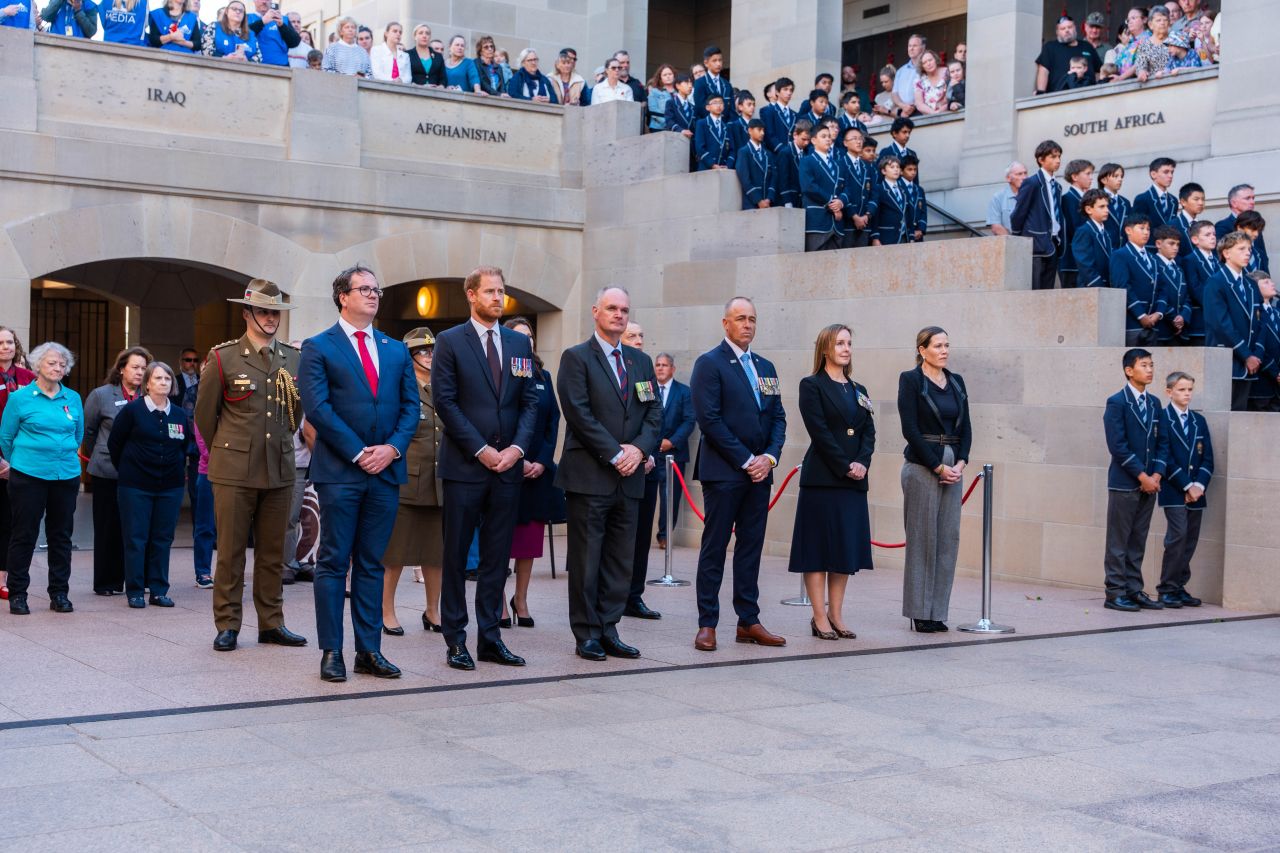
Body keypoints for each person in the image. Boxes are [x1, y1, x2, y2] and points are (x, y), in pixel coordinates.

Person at [298, 266, 417, 682]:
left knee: (371, 563)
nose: (373, 294)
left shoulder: (396, 349)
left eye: (376, 289)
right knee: (333, 562)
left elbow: (411, 409)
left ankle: (369, 650)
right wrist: (357, 452)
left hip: (385, 472)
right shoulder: (318, 347)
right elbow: (318, 409)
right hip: (340, 473)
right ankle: (332, 651)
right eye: (363, 289)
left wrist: (391, 449)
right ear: (342, 297)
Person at [431, 266, 540, 671]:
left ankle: (490, 637)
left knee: (497, 557)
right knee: (458, 556)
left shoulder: (517, 343)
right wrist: (480, 449)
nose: (498, 297)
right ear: (471, 295)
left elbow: (529, 401)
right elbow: (446, 402)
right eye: (490, 291)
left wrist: (516, 448)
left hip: (508, 468)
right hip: (465, 467)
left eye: (502, 291)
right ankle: (455, 639)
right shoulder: (449, 341)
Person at [195, 279, 308, 653]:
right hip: (233, 470)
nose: (270, 318)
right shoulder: (223, 357)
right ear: (247, 314)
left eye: (275, 312)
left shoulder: (293, 359)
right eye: (263, 311)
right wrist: (230, 452)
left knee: (274, 553)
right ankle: (228, 624)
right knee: (230, 553)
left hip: (278, 467)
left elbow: (296, 413)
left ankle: (271, 622)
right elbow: (204, 417)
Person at [555, 288, 660, 660]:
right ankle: (586, 633)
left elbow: (653, 413)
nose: (619, 315)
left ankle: (610, 627)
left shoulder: (640, 362)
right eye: (612, 308)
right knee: (587, 559)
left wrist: (639, 450)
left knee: (619, 558)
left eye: (624, 310)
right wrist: (616, 453)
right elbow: (579, 414)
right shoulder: (576, 358)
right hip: (590, 475)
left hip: (630, 477)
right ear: (595, 311)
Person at [690, 297, 788, 652]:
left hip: (760, 475)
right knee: (715, 546)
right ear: (725, 323)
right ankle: (707, 623)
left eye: (752, 319)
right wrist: (748, 459)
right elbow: (710, 420)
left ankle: (748, 620)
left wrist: (770, 459)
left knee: (751, 547)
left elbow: (778, 418)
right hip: (725, 472)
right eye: (740, 318)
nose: (747, 324)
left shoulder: (765, 366)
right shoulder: (709, 364)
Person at [789, 324, 874, 640]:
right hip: (823, 479)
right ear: (825, 348)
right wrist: (844, 465)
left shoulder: (859, 390)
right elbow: (819, 431)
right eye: (839, 343)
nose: (846, 348)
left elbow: (869, 432)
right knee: (818, 550)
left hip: (854, 482)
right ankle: (819, 617)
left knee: (843, 552)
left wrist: (862, 463)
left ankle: (837, 615)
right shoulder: (811, 386)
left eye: (849, 342)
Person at [897, 326, 971, 633]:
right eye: (938, 345)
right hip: (922, 463)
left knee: (947, 540)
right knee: (922, 540)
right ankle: (919, 612)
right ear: (922, 349)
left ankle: (938, 611)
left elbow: (966, 425)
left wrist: (962, 460)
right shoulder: (910, 380)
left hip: (953, 465)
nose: (944, 350)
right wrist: (937, 466)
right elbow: (910, 429)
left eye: (947, 345)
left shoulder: (957, 382)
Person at [0, 342, 83, 616]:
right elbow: (6, 439)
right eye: (52, 363)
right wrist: (24, 462)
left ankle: (59, 593)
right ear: (37, 366)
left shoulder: (72, 398)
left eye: (62, 364)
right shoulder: (20, 399)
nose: (58, 367)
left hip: (66, 475)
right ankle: (18, 593)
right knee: (24, 534)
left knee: (61, 536)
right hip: (28, 476)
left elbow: (78, 435)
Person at [107, 361, 190, 610]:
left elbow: (183, 447)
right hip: (135, 486)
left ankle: (158, 589)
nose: (163, 383)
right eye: (157, 379)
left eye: (167, 379)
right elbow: (115, 444)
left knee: (162, 538)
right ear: (147, 384)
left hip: (170, 487)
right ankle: (134, 590)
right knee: (136, 538)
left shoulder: (179, 414)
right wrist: (129, 470)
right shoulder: (133, 411)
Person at [380, 327, 445, 636]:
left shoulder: (444, 389)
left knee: (435, 553)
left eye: (432, 351)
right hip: (407, 480)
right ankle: (386, 610)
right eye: (422, 351)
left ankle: (433, 610)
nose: (429, 356)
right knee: (395, 553)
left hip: (438, 481)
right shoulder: (399, 388)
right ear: (409, 357)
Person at [500, 317, 562, 629]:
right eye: (519, 336)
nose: (527, 341)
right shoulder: (498, 373)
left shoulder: (543, 375)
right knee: (500, 539)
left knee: (528, 543)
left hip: (538, 471)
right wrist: (517, 457)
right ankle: (497, 599)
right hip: (507, 468)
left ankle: (520, 598)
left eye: (530, 336)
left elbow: (553, 421)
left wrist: (542, 459)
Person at [81, 346, 149, 598]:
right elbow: (88, 432)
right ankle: (106, 582)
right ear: (121, 369)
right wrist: (101, 451)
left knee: (135, 528)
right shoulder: (101, 395)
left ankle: (134, 579)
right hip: (107, 470)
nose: (139, 372)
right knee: (108, 526)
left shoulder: (150, 395)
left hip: (139, 472)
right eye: (134, 367)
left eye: (143, 368)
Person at [1101, 348, 1164, 612]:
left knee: (1138, 539)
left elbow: (1163, 443)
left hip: (1150, 484)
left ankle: (1134, 589)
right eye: (1144, 365)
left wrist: (1156, 475)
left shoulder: (1155, 403)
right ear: (1129, 370)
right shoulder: (1117, 402)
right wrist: (1142, 475)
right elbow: (1118, 445)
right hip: (1125, 482)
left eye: (1151, 365)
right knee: (1119, 540)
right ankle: (1115, 592)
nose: (1149, 370)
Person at [1155, 371, 1210, 608]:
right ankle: (1166, 588)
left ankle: (1179, 586)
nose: (1186, 394)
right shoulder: (1162, 418)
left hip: (1197, 492)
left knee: (1190, 539)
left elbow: (1207, 458)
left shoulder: (1199, 421)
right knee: (1177, 536)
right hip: (1173, 489)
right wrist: (1187, 485)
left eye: (1189, 389)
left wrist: (1198, 485)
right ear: (1169, 392)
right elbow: (1164, 458)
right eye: (1181, 389)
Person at [1204, 231, 1263, 411]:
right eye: (1241, 249)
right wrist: (1246, 354)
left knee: (1241, 414)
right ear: (1226, 253)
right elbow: (1221, 324)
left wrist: (1257, 354)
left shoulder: (1251, 284)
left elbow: (1261, 322)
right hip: (1227, 357)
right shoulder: (1216, 282)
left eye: (1250, 249)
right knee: (1224, 415)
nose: (1248, 253)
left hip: (1251, 360)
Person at [0, 327, 34, 599]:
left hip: (22, 461)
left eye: (9, 342)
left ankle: (9, 576)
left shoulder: (28, 378)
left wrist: (16, 460)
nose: (5, 347)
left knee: (13, 521)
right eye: (0, 343)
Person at [650, 353, 693, 555]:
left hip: (674, 455)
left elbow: (689, 421)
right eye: (657, 365)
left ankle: (665, 535)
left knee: (670, 497)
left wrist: (671, 442)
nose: (660, 368)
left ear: (672, 369)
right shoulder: (648, 390)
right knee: (646, 496)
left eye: (664, 365)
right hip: (649, 453)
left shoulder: (684, 392)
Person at [1011, 139, 1064, 290]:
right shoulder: (1032, 183)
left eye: (1059, 157)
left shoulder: (1057, 186)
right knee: (1035, 291)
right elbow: (1018, 213)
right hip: (1035, 243)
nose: (1058, 160)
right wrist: (1018, 239)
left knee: (1047, 291)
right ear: (1041, 160)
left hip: (1053, 242)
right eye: (1053, 157)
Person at [1112, 214, 1165, 345]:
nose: (1146, 232)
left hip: (1154, 322)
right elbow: (1123, 286)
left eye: (1148, 229)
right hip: (1132, 323)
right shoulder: (1120, 255)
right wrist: (1141, 315)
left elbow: (1163, 287)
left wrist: (1158, 312)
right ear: (1128, 230)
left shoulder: (1154, 258)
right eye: (1141, 228)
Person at [800, 123, 845, 252]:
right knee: (815, 263)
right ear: (813, 140)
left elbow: (846, 187)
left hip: (837, 223)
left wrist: (841, 202)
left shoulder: (837, 164)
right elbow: (809, 187)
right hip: (817, 219)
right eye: (823, 136)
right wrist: (832, 203)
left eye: (829, 136)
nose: (828, 139)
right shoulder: (807, 161)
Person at [1035, 15, 1100, 93]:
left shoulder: (1087, 46)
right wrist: (1041, 93)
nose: (1067, 30)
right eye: (1063, 28)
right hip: (1059, 96)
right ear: (1057, 32)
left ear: (1075, 28)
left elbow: (1098, 71)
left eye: (1069, 27)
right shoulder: (1050, 47)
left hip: (1089, 94)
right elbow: (1043, 71)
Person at [1059, 158, 1095, 288]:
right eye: (1087, 174)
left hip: (1086, 259)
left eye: (1092, 174)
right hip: (1072, 262)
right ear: (1074, 176)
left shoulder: (1087, 200)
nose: (1091, 178)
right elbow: (1074, 230)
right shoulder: (1067, 200)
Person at [1216, 184, 1269, 271]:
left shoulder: (1255, 224)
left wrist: (1266, 279)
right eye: (1247, 198)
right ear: (1234, 203)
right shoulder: (1223, 227)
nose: (1252, 202)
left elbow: (1263, 257)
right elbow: (1221, 260)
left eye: (1253, 198)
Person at [1183, 219, 1219, 343]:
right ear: (1195, 240)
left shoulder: (1218, 261)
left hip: (1219, 319)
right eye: (1207, 235)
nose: (1213, 238)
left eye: (1214, 234)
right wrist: (1216, 306)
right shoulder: (1190, 260)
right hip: (1201, 318)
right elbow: (1195, 289)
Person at [1154, 226, 1191, 344]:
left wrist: (1183, 317)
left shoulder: (1179, 268)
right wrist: (1174, 317)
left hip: (1180, 331)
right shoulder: (1153, 264)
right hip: (1162, 327)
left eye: (1178, 244)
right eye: (1171, 244)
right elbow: (1155, 294)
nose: (1175, 248)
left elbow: (1187, 297)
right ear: (1158, 244)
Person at [1248, 272, 1280, 412]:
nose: (1272, 284)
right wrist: (1275, 372)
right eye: (1266, 282)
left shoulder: (1277, 312)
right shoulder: (1254, 312)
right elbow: (1257, 345)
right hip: (1262, 382)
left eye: (1271, 281)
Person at [1131, 157, 1178, 246]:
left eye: (1172, 172)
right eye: (1166, 172)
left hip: (1168, 250)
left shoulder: (1173, 200)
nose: (1170, 175)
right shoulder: (1143, 199)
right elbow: (1136, 228)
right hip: (1150, 248)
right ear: (1153, 174)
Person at [867, 156, 911, 246]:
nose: (896, 170)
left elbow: (908, 213)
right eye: (892, 167)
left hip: (904, 235)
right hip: (886, 236)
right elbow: (875, 215)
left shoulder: (903, 190)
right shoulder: (879, 189)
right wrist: (875, 237)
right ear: (883, 171)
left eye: (898, 167)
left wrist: (911, 236)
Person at [1074, 189, 1114, 288]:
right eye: (1102, 207)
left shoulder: (1106, 233)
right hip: (1090, 288)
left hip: (1107, 287)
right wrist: (1099, 286)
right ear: (1088, 209)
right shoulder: (1084, 231)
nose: (1107, 210)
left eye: (1107, 206)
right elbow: (1085, 265)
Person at [736, 118, 775, 210]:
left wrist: (769, 199)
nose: (762, 133)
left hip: (768, 203)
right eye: (759, 130)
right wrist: (758, 200)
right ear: (750, 130)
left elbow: (774, 177)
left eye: (763, 130)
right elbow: (745, 179)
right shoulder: (744, 152)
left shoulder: (768, 154)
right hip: (751, 203)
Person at [246, 0, 299, 67]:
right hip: (254, 67)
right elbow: (242, 37)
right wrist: (262, 22)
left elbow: (295, 42)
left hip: (281, 67)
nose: (264, 2)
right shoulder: (247, 18)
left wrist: (282, 26)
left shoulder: (283, 19)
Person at [1132, 5, 1174, 82]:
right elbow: (1140, 65)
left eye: (1165, 20)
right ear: (1150, 25)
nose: (1162, 23)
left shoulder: (1175, 40)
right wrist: (1142, 72)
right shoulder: (1145, 45)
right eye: (1158, 20)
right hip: (1154, 85)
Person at [693, 44, 734, 120]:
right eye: (714, 61)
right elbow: (701, 108)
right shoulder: (700, 83)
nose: (718, 64)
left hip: (726, 128)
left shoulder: (727, 84)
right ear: (706, 63)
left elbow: (732, 110)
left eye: (720, 60)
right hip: (707, 127)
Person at [694, 92, 733, 171]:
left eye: (721, 103)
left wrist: (728, 165)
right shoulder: (702, 123)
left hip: (723, 169)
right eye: (715, 103)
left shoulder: (727, 127)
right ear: (708, 107)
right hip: (706, 168)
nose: (718, 105)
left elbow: (732, 150)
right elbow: (699, 147)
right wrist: (712, 164)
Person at [987, 162, 1027, 236]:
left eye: (1025, 173)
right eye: (1019, 174)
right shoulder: (998, 198)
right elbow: (996, 227)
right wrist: (1016, 243)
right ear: (1008, 178)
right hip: (1011, 244)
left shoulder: (1033, 195)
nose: (1024, 177)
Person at [1098, 162, 1132, 250]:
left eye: (1121, 176)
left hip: (1124, 250)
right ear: (1103, 180)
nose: (1120, 179)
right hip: (1105, 249)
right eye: (1116, 176)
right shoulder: (1096, 199)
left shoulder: (1125, 202)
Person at [891, 34, 925, 116]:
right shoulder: (901, 71)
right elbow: (894, 93)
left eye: (915, 45)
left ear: (923, 48)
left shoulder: (926, 67)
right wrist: (903, 106)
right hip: (903, 112)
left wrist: (912, 106)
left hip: (921, 112)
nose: (911, 48)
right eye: (909, 46)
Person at [761, 77, 796, 153]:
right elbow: (769, 135)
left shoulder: (795, 114)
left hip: (793, 157)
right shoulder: (769, 111)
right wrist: (783, 150)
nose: (789, 93)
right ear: (777, 92)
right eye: (785, 89)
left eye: (791, 90)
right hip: (777, 156)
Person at [913, 50, 949, 115]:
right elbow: (919, 104)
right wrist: (934, 113)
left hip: (949, 114)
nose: (928, 64)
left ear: (935, 60)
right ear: (922, 67)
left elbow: (951, 96)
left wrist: (941, 111)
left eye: (930, 60)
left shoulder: (947, 72)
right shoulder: (919, 80)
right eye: (925, 63)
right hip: (929, 118)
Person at [900, 155, 927, 243]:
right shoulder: (897, 187)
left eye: (915, 169)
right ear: (901, 171)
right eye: (909, 169)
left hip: (918, 234)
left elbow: (923, 211)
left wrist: (921, 229)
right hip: (904, 233)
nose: (913, 172)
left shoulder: (919, 189)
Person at [664, 72, 696, 138]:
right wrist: (681, 130)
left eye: (691, 83)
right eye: (687, 82)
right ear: (678, 85)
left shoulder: (693, 107)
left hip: (691, 142)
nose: (690, 86)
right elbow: (669, 121)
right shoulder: (671, 103)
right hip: (676, 139)